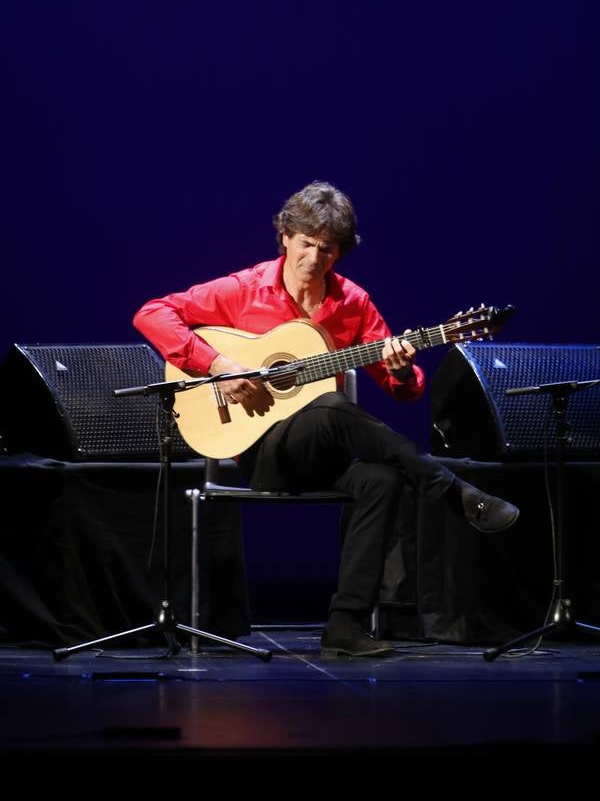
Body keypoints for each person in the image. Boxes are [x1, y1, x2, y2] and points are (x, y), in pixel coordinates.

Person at [133, 181, 519, 658]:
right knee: (334, 408)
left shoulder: (352, 302)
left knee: (380, 479)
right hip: (262, 452)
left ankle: (346, 623)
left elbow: (404, 389)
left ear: (340, 252)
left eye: (327, 249)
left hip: (323, 452)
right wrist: (217, 365)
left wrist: (400, 369)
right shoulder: (244, 289)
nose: (314, 259)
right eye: (307, 244)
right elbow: (153, 313)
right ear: (286, 237)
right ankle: (452, 490)